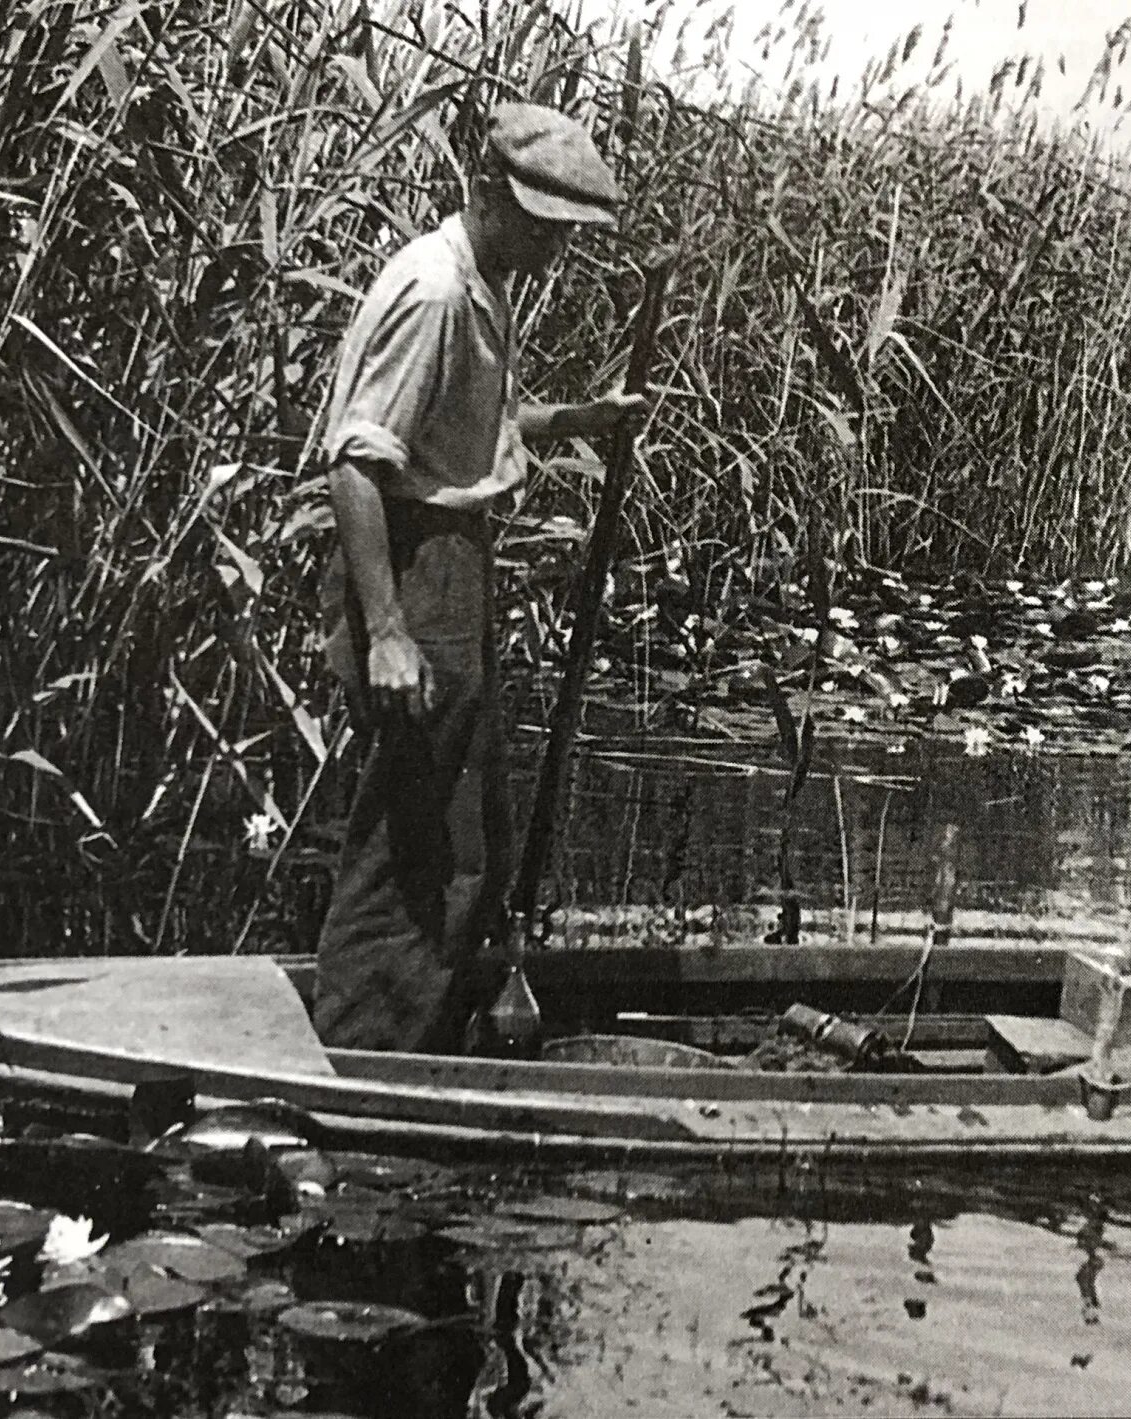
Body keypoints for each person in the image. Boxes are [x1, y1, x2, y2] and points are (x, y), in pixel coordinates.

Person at [310, 102, 643, 1053]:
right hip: (415, 568)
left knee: (467, 829)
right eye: (540, 225)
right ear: (486, 190)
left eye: (563, 233)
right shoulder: (436, 292)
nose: (552, 249)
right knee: (420, 840)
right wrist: (388, 630)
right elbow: (358, 464)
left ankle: (425, 1025)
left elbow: (464, 431)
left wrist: (578, 420)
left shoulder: (480, 281)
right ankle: (367, 1052)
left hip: (451, 564)